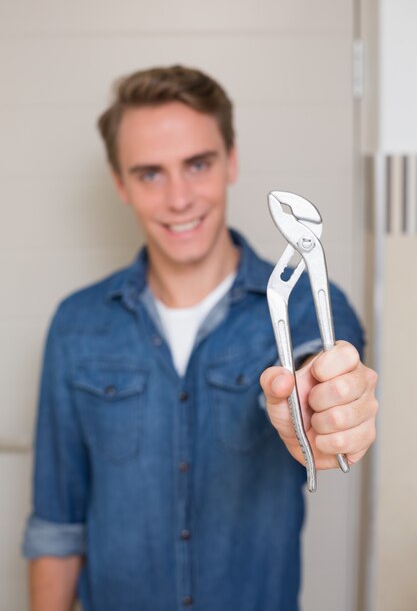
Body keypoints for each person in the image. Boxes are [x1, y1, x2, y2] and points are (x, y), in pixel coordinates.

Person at [23, 65, 378, 611]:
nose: (179, 198)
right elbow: (57, 525)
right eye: (149, 174)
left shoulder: (310, 302)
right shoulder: (76, 324)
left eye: (197, 164)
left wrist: (319, 401)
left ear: (231, 161)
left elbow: (321, 368)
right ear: (120, 183)